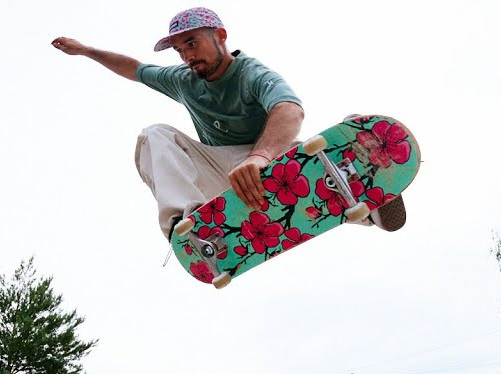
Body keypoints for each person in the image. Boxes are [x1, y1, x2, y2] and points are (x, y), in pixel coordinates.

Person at [54, 9, 401, 245]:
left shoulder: (251, 73)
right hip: (220, 178)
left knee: (330, 145)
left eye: (193, 43)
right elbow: (134, 68)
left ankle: (371, 201)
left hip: (271, 165)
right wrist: (86, 51)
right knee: (153, 135)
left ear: (219, 36)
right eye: (179, 50)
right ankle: (190, 226)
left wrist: (259, 157)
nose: (187, 56)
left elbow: (289, 109)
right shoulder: (183, 80)